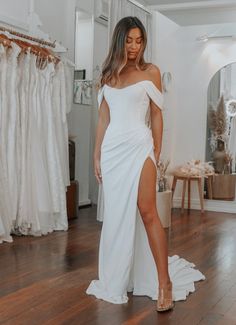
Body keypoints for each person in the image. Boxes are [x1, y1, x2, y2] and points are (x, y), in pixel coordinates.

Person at [86, 16, 205, 312]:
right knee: (116, 216)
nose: (134, 47)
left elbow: (156, 114)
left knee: (148, 210)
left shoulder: (150, 72)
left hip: (140, 147)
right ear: (119, 40)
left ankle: (164, 281)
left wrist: (155, 149)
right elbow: (103, 118)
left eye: (139, 41)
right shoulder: (109, 75)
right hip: (113, 152)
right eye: (129, 40)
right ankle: (120, 275)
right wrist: (97, 153)